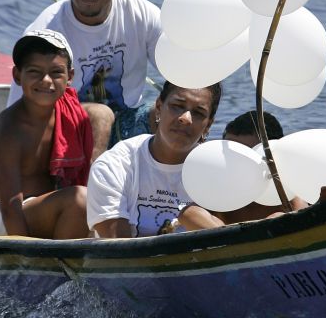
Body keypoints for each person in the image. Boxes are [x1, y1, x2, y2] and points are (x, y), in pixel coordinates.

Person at [7, 0, 161, 155]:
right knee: (100, 114)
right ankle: (92, 187)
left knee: (171, 110)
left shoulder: (142, 14)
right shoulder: (46, 30)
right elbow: (19, 111)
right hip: (67, 131)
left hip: (127, 123)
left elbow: (183, 75)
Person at [0, 29, 92, 239]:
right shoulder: (9, 129)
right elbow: (10, 208)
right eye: (34, 72)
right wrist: (26, 260)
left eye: (56, 72)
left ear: (70, 77)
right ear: (17, 76)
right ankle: (61, 266)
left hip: (44, 208)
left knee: (93, 203)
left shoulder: (67, 116)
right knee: (80, 200)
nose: (46, 80)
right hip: (4, 218)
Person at [87, 82, 225, 238]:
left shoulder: (217, 171)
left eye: (199, 113)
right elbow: (120, 251)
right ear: (159, 107)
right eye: (177, 106)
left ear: (208, 126)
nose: (186, 118)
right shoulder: (114, 165)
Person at [216, 110, 307, 224]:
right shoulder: (212, 190)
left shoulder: (289, 196)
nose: (234, 164)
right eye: (229, 156)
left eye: (245, 156)